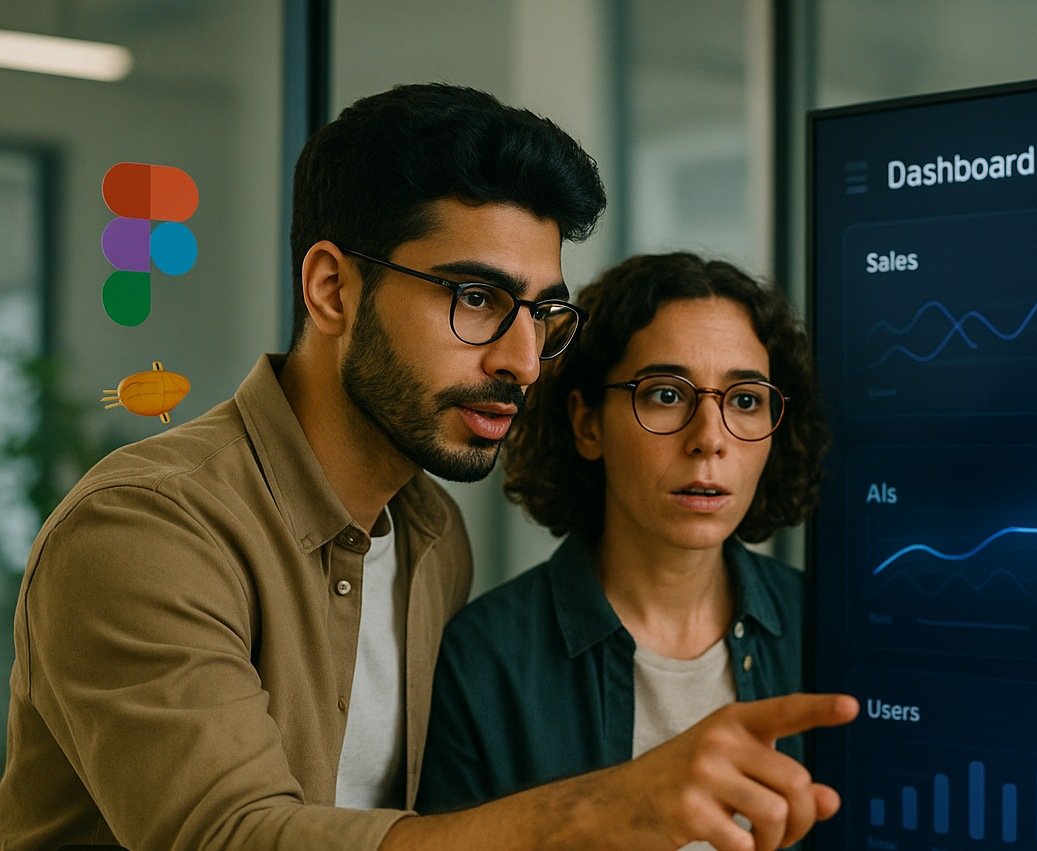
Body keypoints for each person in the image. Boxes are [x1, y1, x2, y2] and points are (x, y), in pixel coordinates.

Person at [0, 83, 856, 851]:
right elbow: (229, 834)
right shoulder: (146, 526)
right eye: (476, 299)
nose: (525, 359)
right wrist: (600, 810)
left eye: (542, 312)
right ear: (333, 289)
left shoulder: (431, 538)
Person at [417, 253, 828, 824]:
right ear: (587, 425)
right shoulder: (483, 663)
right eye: (665, 394)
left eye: (745, 400)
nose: (710, 439)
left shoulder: (827, 633)